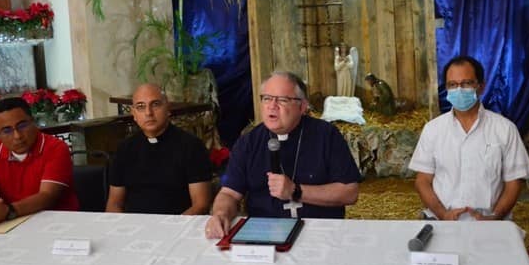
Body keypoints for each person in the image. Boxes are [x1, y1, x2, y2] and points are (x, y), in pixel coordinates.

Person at [205, 71, 360, 238]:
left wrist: (296, 191)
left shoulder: (326, 135)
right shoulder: (248, 142)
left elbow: (349, 192)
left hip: (320, 231)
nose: (272, 106)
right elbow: (229, 193)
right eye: (267, 98)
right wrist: (220, 214)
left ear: (302, 107)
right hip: (264, 233)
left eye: (282, 100)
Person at [408, 55, 529, 220]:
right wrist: (443, 214)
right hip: (441, 220)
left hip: (489, 222)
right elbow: (423, 181)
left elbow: (514, 182)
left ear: (481, 87)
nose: (459, 90)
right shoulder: (433, 129)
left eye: (466, 83)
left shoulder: (505, 129)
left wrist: (494, 217)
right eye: (452, 85)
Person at [106, 84, 212, 215]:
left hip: (177, 225)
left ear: (168, 108)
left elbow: (201, 205)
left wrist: (172, 228)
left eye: (155, 104)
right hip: (134, 227)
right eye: (141, 106)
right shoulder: (125, 149)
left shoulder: (191, 146)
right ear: (134, 114)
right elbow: (114, 203)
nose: (148, 113)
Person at [0, 97, 79, 226]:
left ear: (33, 122)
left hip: (56, 222)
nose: (17, 136)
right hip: (10, 223)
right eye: (7, 130)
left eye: (22, 126)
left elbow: (47, 196)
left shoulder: (56, 147)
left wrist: (9, 211)